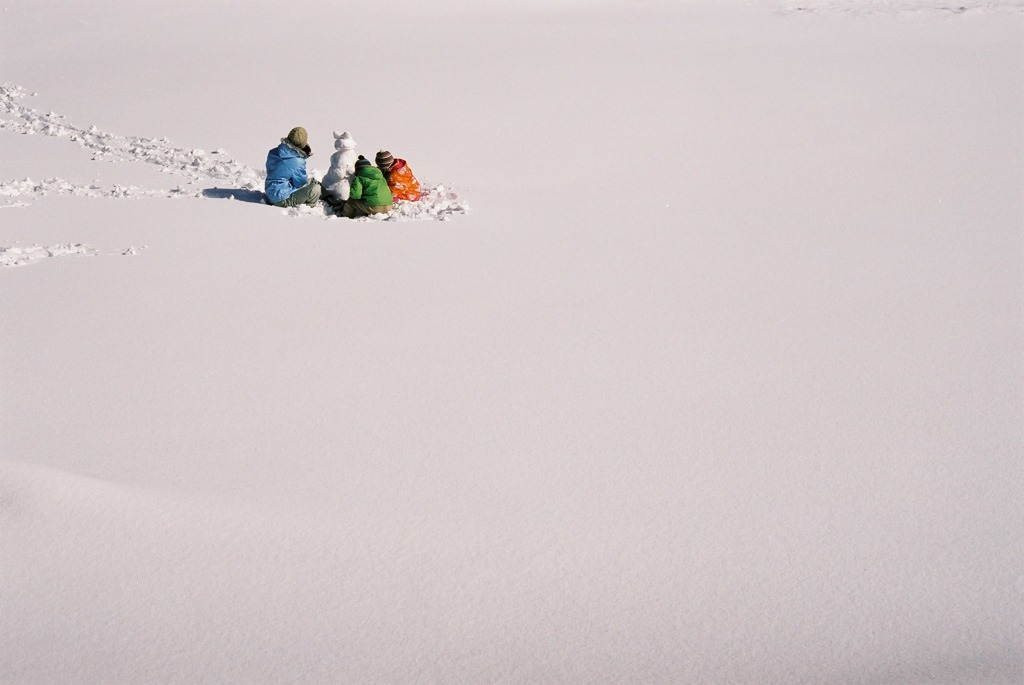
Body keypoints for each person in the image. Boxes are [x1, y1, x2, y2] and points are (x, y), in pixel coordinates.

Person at [265, 126, 322, 207]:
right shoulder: (297, 161)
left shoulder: (273, 152)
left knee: (312, 181)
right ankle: (308, 208)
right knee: (315, 189)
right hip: (281, 199)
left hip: (270, 192)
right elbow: (300, 183)